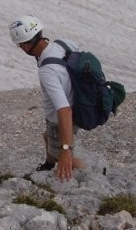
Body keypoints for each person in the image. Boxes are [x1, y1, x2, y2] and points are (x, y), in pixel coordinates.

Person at [9, 15, 85, 181]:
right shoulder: (63, 43)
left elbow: (64, 110)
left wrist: (65, 149)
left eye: (20, 45)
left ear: (26, 44)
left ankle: (87, 171)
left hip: (62, 120)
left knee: (63, 156)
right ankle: (49, 164)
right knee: (47, 137)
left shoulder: (47, 70)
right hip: (78, 104)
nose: (20, 48)